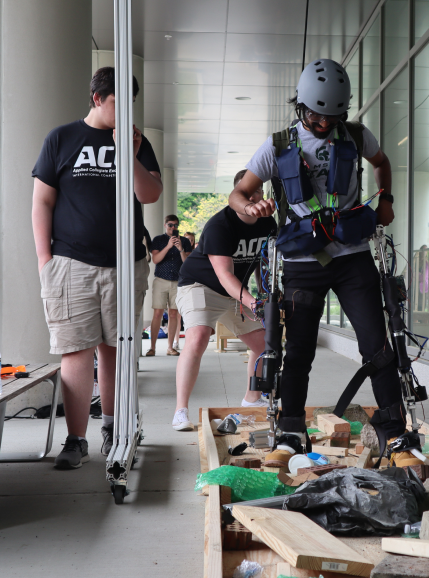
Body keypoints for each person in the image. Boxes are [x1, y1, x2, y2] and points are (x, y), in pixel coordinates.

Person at [228, 58, 415, 467]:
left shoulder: (356, 135)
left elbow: (382, 162)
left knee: (378, 346)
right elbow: (238, 193)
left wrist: (386, 199)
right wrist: (251, 207)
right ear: (301, 107)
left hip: (352, 258)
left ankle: (396, 432)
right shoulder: (277, 145)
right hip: (301, 261)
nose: (323, 124)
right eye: (315, 115)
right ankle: (292, 431)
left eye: (332, 117)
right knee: (297, 352)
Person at [32, 66, 162, 469]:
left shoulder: (136, 140)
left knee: (116, 351)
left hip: (126, 263)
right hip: (71, 262)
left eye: (131, 103)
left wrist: (129, 152)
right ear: (97, 99)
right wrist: (44, 261)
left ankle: (111, 427)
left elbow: (151, 193)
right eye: (117, 103)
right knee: (75, 352)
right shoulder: (62, 138)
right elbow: (43, 202)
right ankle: (75, 439)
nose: (126, 112)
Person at [171, 169, 276, 431]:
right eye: (247, 192)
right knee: (198, 336)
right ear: (235, 195)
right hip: (201, 285)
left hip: (235, 290)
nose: (254, 197)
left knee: (265, 344)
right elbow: (224, 274)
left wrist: (266, 298)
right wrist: (252, 302)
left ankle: (251, 400)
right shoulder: (220, 225)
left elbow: (266, 264)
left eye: (258, 191)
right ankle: (180, 411)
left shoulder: (268, 224)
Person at [145, 214, 192, 357]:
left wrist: (180, 249)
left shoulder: (184, 241)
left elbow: (187, 263)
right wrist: (168, 246)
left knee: (173, 314)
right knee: (157, 313)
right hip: (161, 280)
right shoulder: (158, 240)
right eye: (170, 225)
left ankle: (170, 347)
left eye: (176, 225)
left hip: (178, 281)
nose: (173, 228)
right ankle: (152, 347)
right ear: (165, 225)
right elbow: (156, 259)